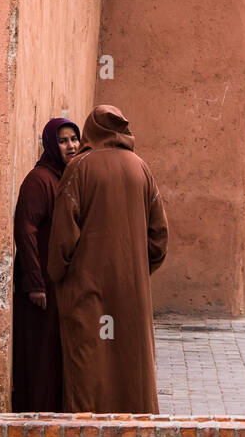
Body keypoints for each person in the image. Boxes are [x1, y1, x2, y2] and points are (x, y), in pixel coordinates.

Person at [48, 105, 168, 413]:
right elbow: (159, 238)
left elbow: (63, 235)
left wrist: (60, 274)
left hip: (86, 287)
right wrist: (136, 269)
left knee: (89, 362)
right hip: (132, 290)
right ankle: (134, 432)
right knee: (130, 361)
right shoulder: (140, 167)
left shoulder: (79, 168)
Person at [11, 117, 81, 412]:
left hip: (56, 285)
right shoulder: (40, 180)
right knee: (38, 353)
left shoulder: (65, 177)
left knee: (53, 351)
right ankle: (34, 413)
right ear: (52, 144)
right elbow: (24, 229)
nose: (71, 146)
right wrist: (35, 284)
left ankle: (52, 411)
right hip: (39, 287)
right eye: (63, 141)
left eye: (74, 139)